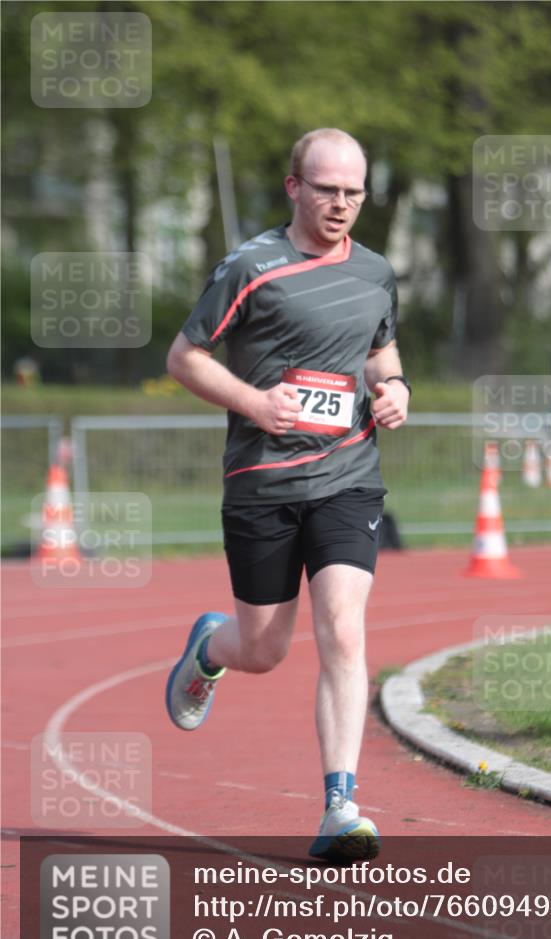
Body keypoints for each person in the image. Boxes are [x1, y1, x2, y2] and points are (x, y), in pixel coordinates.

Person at [165, 128, 410, 863]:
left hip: (347, 476)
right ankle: (210, 648)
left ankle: (340, 806)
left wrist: (393, 388)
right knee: (265, 649)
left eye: (353, 193)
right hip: (261, 483)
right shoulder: (250, 265)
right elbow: (184, 357)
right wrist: (253, 403)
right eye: (327, 189)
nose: (340, 205)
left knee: (342, 623)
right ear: (293, 188)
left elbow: (380, 350)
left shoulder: (375, 272)